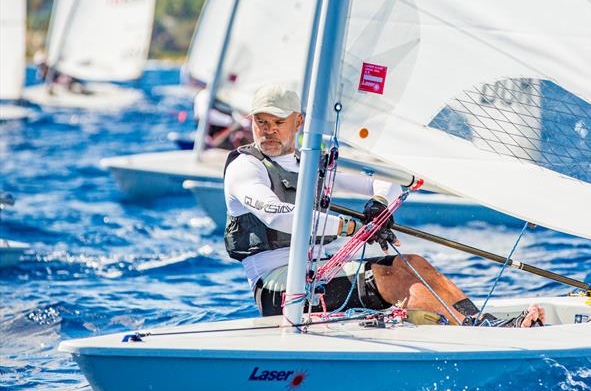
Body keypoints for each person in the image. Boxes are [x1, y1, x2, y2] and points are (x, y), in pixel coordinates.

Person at [223, 85, 545, 327]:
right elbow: (276, 215)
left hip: (321, 271)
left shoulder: (310, 164)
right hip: (279, 288)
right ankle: (476, 331)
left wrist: (378, 205)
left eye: (277, 121)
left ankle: (479, 323)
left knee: (414, 263)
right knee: (391, 277)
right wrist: (346, 227)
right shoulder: (245, 167)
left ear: (298, 121)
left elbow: (389, 179)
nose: (268, 130)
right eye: (261, 122)